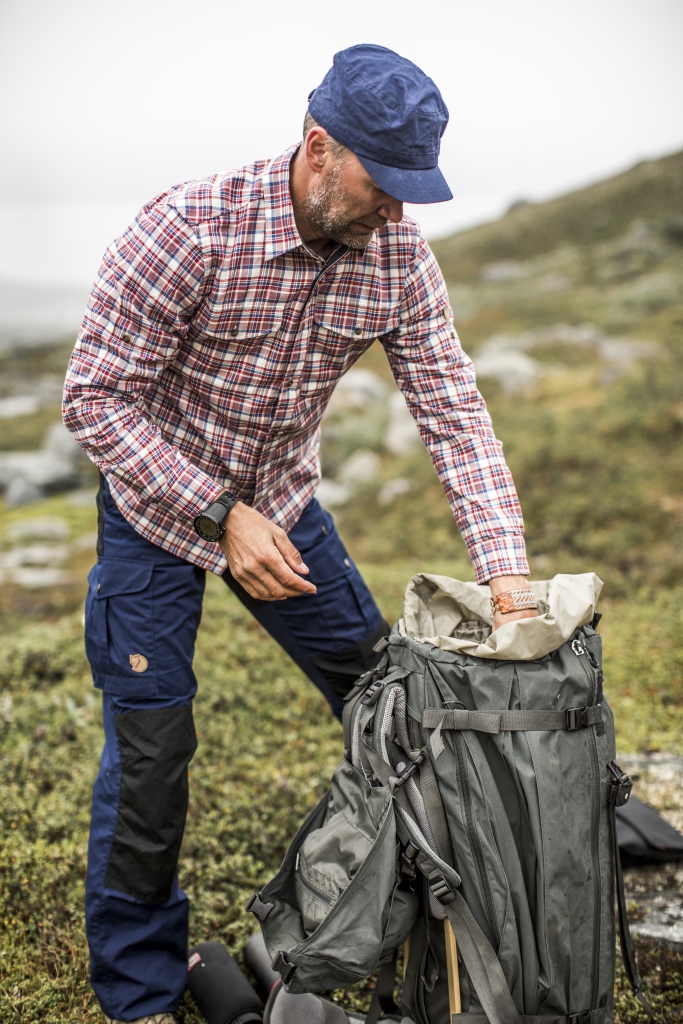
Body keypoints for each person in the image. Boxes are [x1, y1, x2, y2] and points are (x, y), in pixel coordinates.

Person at [63, 43, 539, 1024]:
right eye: (384, 184)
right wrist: (214, 512)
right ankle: (143, 988)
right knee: (152, 754)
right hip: (157, 517)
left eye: (413, 191)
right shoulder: (188, 229)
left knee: (385, 700)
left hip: (283, 506)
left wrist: (507, 580)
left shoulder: (397, 258)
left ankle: (406, 911)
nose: (398, 214)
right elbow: (95, 397)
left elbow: (454, 415)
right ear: (317, 146)